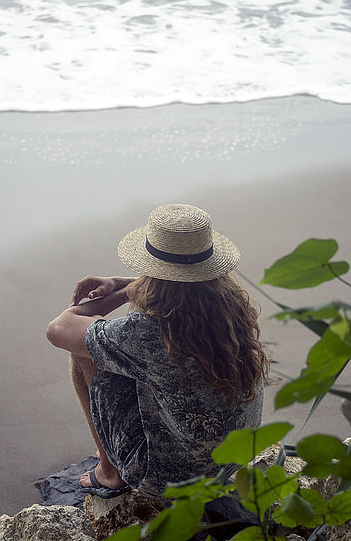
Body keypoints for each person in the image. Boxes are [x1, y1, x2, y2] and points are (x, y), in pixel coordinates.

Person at [46, 203, 269, 499]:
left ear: (154, 270)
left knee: (85, 351)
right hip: (232, 459)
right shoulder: (231, 306)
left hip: (172, 480)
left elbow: (59, 328)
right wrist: (125, 285)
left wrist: (126, 290)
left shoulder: (153, 332)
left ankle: (109, 472)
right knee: (135, 363)